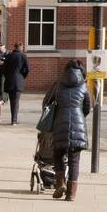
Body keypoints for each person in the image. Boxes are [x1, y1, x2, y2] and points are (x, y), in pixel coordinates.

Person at [43, 59, 92, 202]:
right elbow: (87, 108)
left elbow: (46, 103)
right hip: (78, 125)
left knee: (58, 155)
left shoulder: (58, 85)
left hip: (60, 123)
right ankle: (71, 194)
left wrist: (56, 111)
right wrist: (80, 116)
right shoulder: (83, 87)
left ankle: (60, 183)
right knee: (74, 161)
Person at [2, 43, 30, 125]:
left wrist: (8, 76)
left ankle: (13, 120)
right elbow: (28, 69)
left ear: (15, 47)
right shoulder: (23, 56)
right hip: (18, 81)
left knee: (12, 101)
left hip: (10, 80)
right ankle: (14, 120)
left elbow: (4, 69)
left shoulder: (9, 56)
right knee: (16, 101)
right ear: (21, 47)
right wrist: (22, 77)